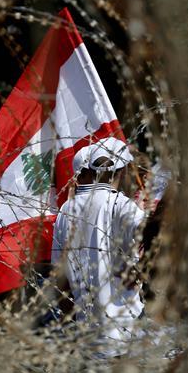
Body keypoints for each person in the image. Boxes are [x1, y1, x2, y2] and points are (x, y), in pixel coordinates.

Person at [51, 137, 146, 352]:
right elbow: (152, 231)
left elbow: (59, 278)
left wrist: (72, 328)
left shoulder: (66, 210)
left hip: (88, 336)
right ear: (121, 172)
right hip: (126, 331)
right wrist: (142, 270)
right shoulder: (118, 203)